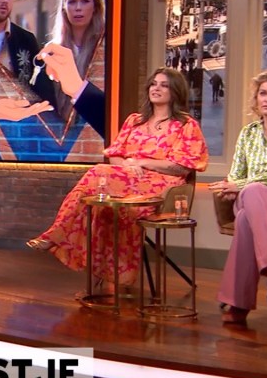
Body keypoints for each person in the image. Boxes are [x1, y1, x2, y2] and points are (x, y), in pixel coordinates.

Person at [27, 68, 208, 286]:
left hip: (163, 186)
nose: (156, 88)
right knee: (100, 200)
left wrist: (141, 162)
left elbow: (182, 167)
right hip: (127, 178)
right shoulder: (135, 121)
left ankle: (57, 234)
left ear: (176, 91)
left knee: (98, 174)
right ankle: (104, 274)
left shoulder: (186, 125)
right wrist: (128, 166)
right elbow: (115, 155)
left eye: (164, 85)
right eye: (153, 84)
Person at [210, 68, 267, 325]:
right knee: (255, 192)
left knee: (245, 219)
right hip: (250, 197)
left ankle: (239, 303)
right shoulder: (248, 133)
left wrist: (240, 185)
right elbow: (235, 173)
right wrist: (239, 184)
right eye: (263, 93)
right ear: (256, 98)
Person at [40, 0, 107, 137]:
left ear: (95, 7)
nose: (78, 8)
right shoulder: (52, 50)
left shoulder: (105, 48)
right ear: (64, 7)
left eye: (85, 1)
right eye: (72, 1)